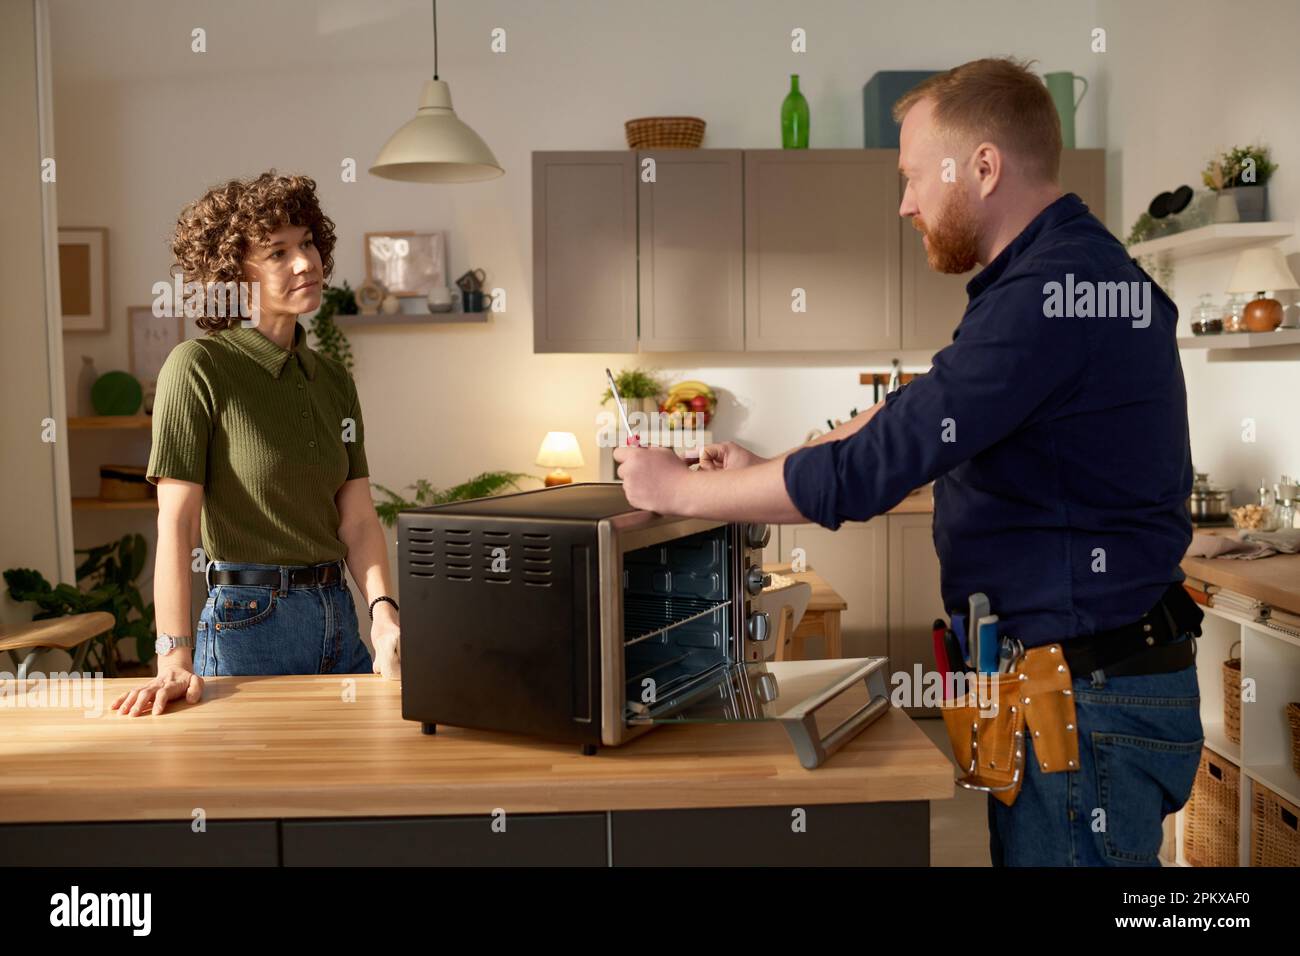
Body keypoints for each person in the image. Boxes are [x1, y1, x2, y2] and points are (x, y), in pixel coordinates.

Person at [613, 57, 1202, 867]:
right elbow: (901, 414)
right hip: (1084, 688)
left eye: (914, 176)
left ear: (984, 167)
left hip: (1083, 703)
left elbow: (876, 462)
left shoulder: (1050, 292)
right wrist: (758, 464)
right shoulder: (1056, 277)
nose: (905, 204)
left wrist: (679, 489)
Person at [112, 171, 401, 717]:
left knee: (361, 790)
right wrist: (171, 655)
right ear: (232, 274)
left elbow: (359, 520)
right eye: (278, 252)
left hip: (339, 617)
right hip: (248, 625)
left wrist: (383, 614)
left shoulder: (333, 379)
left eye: (308, 242)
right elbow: (176, 523)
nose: (305, 262)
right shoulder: (197, 368)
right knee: (250, 797)